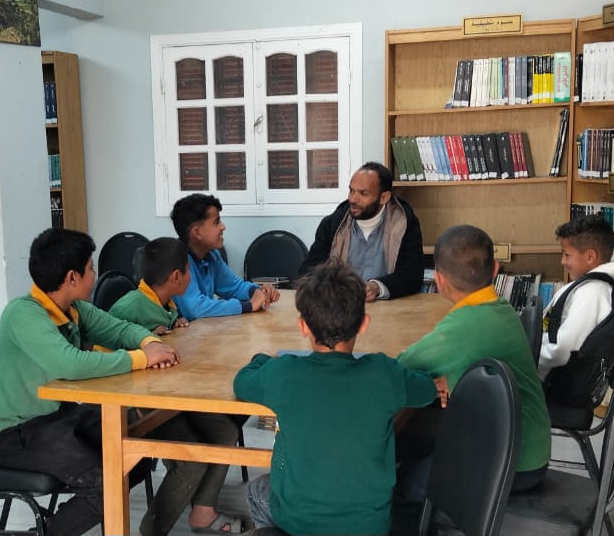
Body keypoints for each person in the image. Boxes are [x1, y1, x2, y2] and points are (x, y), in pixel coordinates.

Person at [0, 228, 180, 536]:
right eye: (91, 268)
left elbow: (120, 329)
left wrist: (150, 342)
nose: (95, 274)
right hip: (12, 432)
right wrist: (141, 358)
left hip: (54, 417)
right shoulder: (23, 314)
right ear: (72, 277)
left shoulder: (73, 309)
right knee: (105, 485)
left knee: (132, 457)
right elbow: (70, 364)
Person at [234, 260, 438, 536]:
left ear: (303, 326)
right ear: (364, 324)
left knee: (257, 490)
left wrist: (263, 358)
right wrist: (434, 383)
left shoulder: (283, 373)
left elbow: (242, 383)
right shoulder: (385, 373)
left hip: (298, 522)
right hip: (369, 527)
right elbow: (427, 391)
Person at [396, 225, 550, 495]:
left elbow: (398, 368)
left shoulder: (461, 328)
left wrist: (432, 379)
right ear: (496, 269)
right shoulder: (502, 308)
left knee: (404, 481)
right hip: (527, 450)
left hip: (509, 465)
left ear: (438, 280)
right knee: (412, 439)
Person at [108, 236, 247, 535]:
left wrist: (174, 326)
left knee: (225, 430)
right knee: (191, 460)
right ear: (176, 277)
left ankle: (203, 512)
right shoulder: (129, 307)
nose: (190, 277)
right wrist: (145, 340)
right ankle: (151, 531)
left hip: (171, 395)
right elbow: (106, 348)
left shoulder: (166, 302)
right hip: (137, 406)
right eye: (188, 271)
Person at [298, 162, 424, 301]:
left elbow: (412, 275)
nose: (353, 199)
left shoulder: (404, 223)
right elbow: (308, 271)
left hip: (388, 307)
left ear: (384, 197)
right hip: (340, 307)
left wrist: (377, 287)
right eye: (351, 191)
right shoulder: (332, 224)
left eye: (364, 193)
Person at [538, 214, 614, 378]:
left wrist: (526, 357)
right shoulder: (590, 287)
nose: (562, 261)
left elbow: (563, 350)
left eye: (567, 255)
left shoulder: (592, 294)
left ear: (590, 256)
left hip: (547, 379)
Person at [170, 193, 279, 320]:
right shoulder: (178, 261)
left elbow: (234, 286)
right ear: (197, 233)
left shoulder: (211, 255)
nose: (223, 227)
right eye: (216, 222)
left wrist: (257, 291)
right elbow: (195, 308)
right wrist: (248, 305)